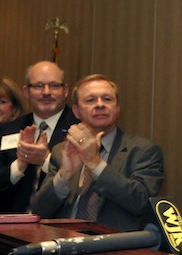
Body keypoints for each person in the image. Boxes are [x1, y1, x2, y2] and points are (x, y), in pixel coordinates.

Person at [31, 74, 164, 231]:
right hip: (63, 243)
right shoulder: (62, 150)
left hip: (113, 246)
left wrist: (95, 163)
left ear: (117, 108)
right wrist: (64, 174)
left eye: (107, 99)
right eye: (90, 100)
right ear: (76, 111)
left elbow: (141, 203)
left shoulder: (143, 150)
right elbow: (39, 210)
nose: (100, 105)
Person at [0, 61, 79, 213]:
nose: (46, 92)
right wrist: (19, 165)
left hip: (58, 227)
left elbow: (81, 184)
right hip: (10, 227)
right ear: (26, 92)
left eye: (54, 85)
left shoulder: (79, 130)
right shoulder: (8, 129)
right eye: (38, 86)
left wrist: (46, 160)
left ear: (66, 90)